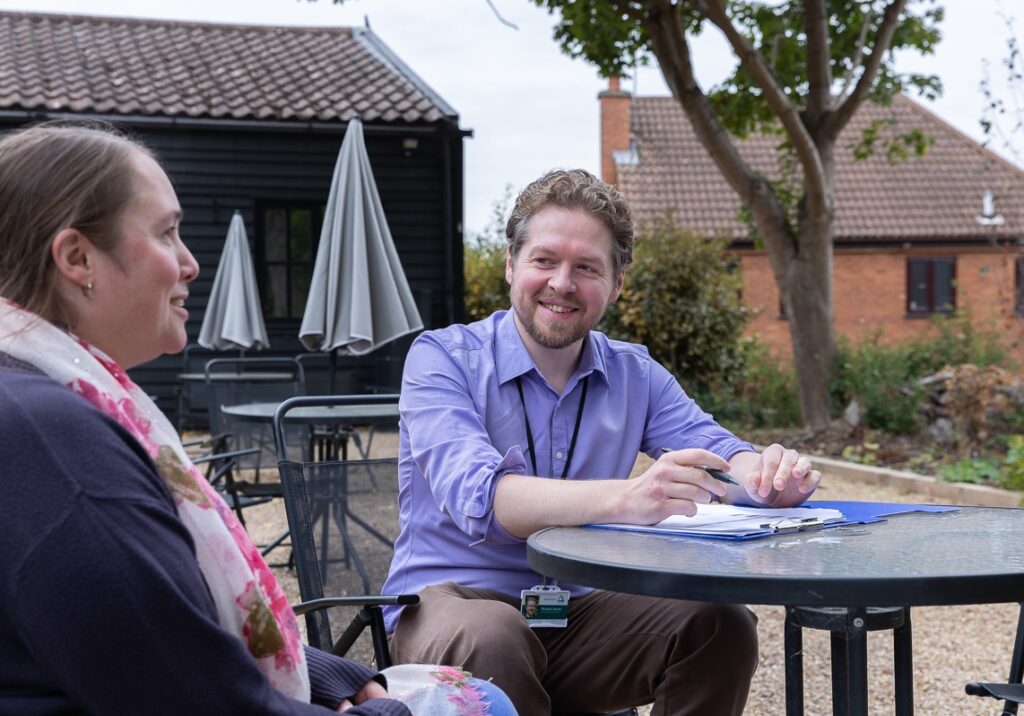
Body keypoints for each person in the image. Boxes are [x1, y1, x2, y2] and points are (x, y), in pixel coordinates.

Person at [0, 122, 514, 716]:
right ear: (76, 257)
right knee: (485, 703)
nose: (190, 263)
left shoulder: (39, 397)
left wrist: (320, 671)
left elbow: (146, 641)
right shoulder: (51, 439)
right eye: (167, 233)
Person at [381, 168, 823, 715]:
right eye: (544, 260)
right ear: (510, 266)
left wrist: (765, 476)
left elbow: (716, 453)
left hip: (579, 612)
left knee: (719, 623)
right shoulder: (442, 358)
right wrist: (630, 498)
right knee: (494, 637)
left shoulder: (635, 373)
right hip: (452, 606)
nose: (562, 283)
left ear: (616, 285)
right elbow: (484, 501)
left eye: (586, 267)